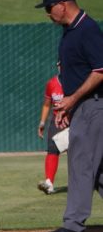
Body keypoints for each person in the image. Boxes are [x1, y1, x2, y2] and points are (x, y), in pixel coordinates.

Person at [36, 0, 103, 232]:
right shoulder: (69, 32)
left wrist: (74, 99)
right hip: (82, 105)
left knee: (80, 164)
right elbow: (71, 75)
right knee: (97, 171)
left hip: (94, 105)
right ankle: (74, 223)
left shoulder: (87, 30)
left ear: (63, 4)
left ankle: (74, 225)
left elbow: (100, 69)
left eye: (49, 7)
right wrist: (68, 106)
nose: (48, 13)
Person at [37, 61, 64, 195]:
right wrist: (42, 123)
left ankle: (86, 182)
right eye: (59, 64)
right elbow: (47, 105)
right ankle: (49, 183)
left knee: (78, 153)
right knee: (52, 150)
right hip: (57, 122)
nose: (61, 66)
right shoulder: (52, 83)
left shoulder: (77, 81)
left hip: (76, 120)